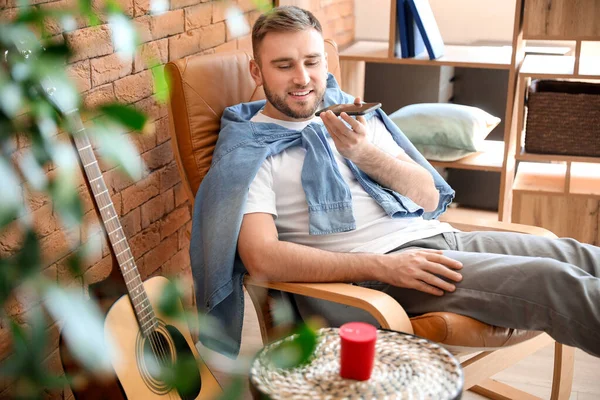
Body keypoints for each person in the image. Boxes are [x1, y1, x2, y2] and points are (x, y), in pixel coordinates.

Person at [189, 5, 600, 358]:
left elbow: (427, 195)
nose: (302, 78)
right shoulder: (250, 151)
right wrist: (386, 266)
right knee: (555, 281)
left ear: (326, 64)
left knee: (576, 254)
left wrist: (364, 153)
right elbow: (262, 258)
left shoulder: (350, 118)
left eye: (312, 62)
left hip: (437, 239)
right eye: (284, 66)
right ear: (256, 72)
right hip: (370, 278)